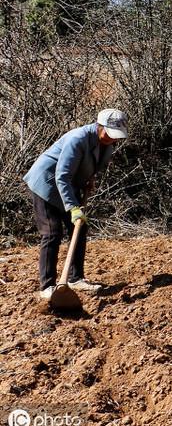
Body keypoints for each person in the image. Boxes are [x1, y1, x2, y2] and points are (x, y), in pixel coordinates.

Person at [24, 108, 129, 299]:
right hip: (46, 183)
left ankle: (75, 279)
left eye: (116, 136)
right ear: (99, 126)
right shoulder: (77, 139)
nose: (112, 139)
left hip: (68, 184)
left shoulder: (107, 142)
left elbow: (90, 164)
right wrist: (73, 208)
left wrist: (89, 178)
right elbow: (62, 176)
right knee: (52, 232)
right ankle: (47, 286)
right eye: (109, 134)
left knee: (79, 228)